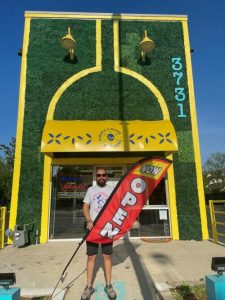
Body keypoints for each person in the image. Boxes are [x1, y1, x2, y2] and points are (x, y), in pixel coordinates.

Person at [81, 167, 117, 300]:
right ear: (96, 177)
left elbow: (116, 208)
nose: (101, 177)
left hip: (107, 229)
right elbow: (85, 207)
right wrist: (89, 220)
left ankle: (108, 286)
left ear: (107, 176)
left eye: (104, 175)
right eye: (99, 175)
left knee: (107, 256)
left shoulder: (111, 190)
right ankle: (88, 287)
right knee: (91, 257)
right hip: (93, 229)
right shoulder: (91, 190)